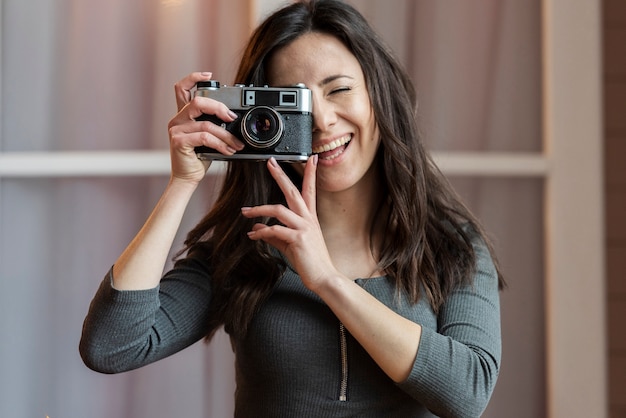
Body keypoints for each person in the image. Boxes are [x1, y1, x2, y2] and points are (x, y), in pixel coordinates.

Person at [80, 1, 505, 416]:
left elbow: (467, 393)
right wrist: (183, 182)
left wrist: (326, 280)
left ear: (380, 93)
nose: (322, 120)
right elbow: (111, 346)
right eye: (294, 102)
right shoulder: (247, 246)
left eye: (339, 89)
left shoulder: (450, 246)